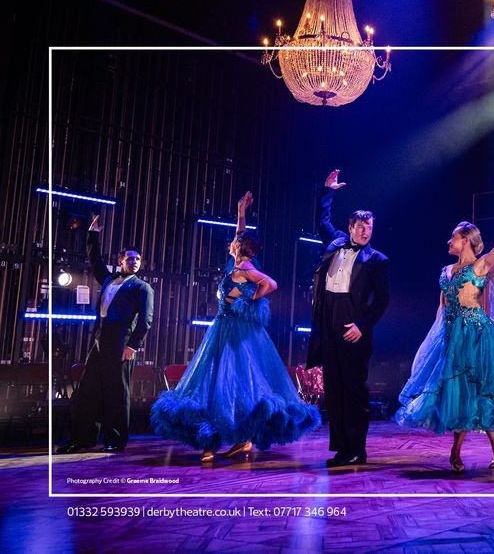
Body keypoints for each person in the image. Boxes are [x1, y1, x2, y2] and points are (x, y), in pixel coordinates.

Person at [151, 192, 320, 462]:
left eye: (233, 242)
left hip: (235, 333)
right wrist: (241, 213)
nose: (230, 243)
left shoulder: (246, 267)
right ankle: (239, 440)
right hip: (223, 329)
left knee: (229, 382)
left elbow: (271, 284)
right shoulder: (236, 264)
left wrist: (249, 298)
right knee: (224, 381)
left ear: (239, 248)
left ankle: (219, 440)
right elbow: (240, 234)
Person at [396, 188, 494, 472]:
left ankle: (463, 448)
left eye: (454, 236)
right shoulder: (445, 271)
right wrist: (433, 341)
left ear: (465, 239)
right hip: (450, 335)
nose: (449, 240)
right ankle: (486, 445)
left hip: (477, 334)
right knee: (458, 392)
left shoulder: (481, 266)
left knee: (479, 391)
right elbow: (441, 308)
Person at [307, 170, 390, 467]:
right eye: (361, 227)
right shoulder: (335, 242)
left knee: (354, 390)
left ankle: (358, 449)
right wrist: (327, 191)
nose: (365, 232)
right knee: (334, 389)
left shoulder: (377, 260)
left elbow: (382, 301)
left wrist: (362, 325)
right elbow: (322, 222)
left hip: (353, 324)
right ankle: (342, 448)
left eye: (369, 228)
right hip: (328, 318)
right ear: (351, 227)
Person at [56, 215, 155, 454]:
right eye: (130, 258)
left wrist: (132, 346)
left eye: (138, 259)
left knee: (117, 395)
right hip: (99, 343)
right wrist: (92, 234)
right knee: (87, 391)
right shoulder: (110, 279)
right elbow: (95, 260)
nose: (134, 262)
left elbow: (146, 320)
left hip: (121, 344)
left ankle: (115, 440)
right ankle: (83, 439)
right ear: (120, 261)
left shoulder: (143, 288)